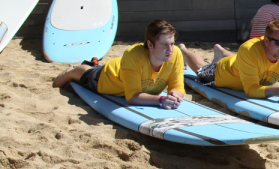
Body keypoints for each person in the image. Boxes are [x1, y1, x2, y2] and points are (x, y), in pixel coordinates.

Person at [53, 20, 185, 110]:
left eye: (172, 43)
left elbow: (177, 87)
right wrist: (161, 100)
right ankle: (69, 72)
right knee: (85, 73)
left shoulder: (176, 54)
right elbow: (132, 97)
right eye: (164, 45)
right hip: (109, 77)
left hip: (127, 73)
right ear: (150, 45)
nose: (170, 49)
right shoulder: (133, 54)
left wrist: (175, 96)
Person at [179, 20, 279, 103]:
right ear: (266, 41)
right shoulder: (249, 50)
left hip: (240, 62)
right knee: (201, 70)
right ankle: (183, 50)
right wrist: (277, 90)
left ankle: (220, 50)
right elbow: (251, 90)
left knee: (244, 59)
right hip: (224, 71)